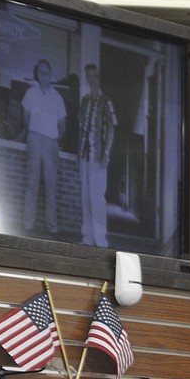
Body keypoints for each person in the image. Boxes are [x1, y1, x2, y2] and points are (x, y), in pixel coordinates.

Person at [21, 58, 67, 235]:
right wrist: (32, 134)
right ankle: (28, 225)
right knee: (32, 184)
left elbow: (63, 125)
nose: (44, 76)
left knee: (50, 186)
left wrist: (55, 140)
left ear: (50, 75)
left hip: (50, 143)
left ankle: (52, 227)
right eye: (41, 72)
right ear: (37, 74)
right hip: (34, 139)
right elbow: (25, 118)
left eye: (47, 72)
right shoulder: (30, 93)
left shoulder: (57, 97)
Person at [77, 63, 116, 247]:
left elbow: (111, 130)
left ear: (98, 78)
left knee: (98, 198)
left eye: (94, 76)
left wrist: (107, 152)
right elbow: (81, 128)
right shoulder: (85, 101)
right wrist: (79, 150)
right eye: (89, 76)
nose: (91, 80)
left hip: (98, 156)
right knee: (85, 196)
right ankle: (87, 237)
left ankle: (101, 240)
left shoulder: (106, 101)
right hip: (84, 155)